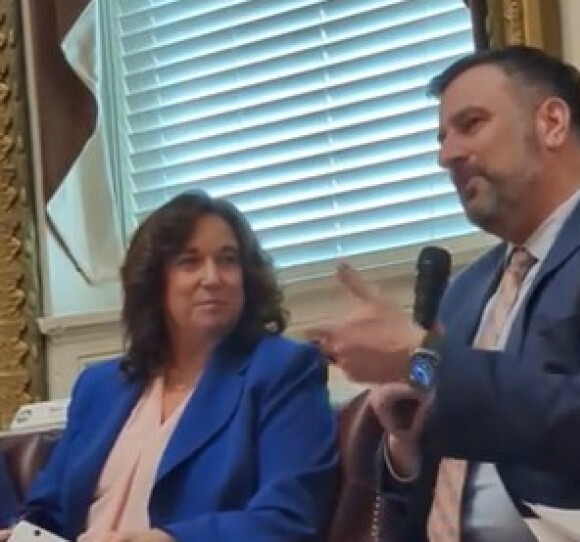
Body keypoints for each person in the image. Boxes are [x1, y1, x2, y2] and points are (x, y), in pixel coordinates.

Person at [308, 46, 580, 542]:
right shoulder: (468, 289)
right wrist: (408, 443)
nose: (446, 154)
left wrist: (416, 355)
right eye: (442, 138)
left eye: (470, 124)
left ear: (552, 122)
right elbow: (435, 382)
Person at [3, 192, 338, 542]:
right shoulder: (99, 386)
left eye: (228, 260)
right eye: (189, 262)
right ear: (153, 281)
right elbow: (47, 511)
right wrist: (18, 534)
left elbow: (288, 520)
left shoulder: (283, 370)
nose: (213, 278)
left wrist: (168, 539)